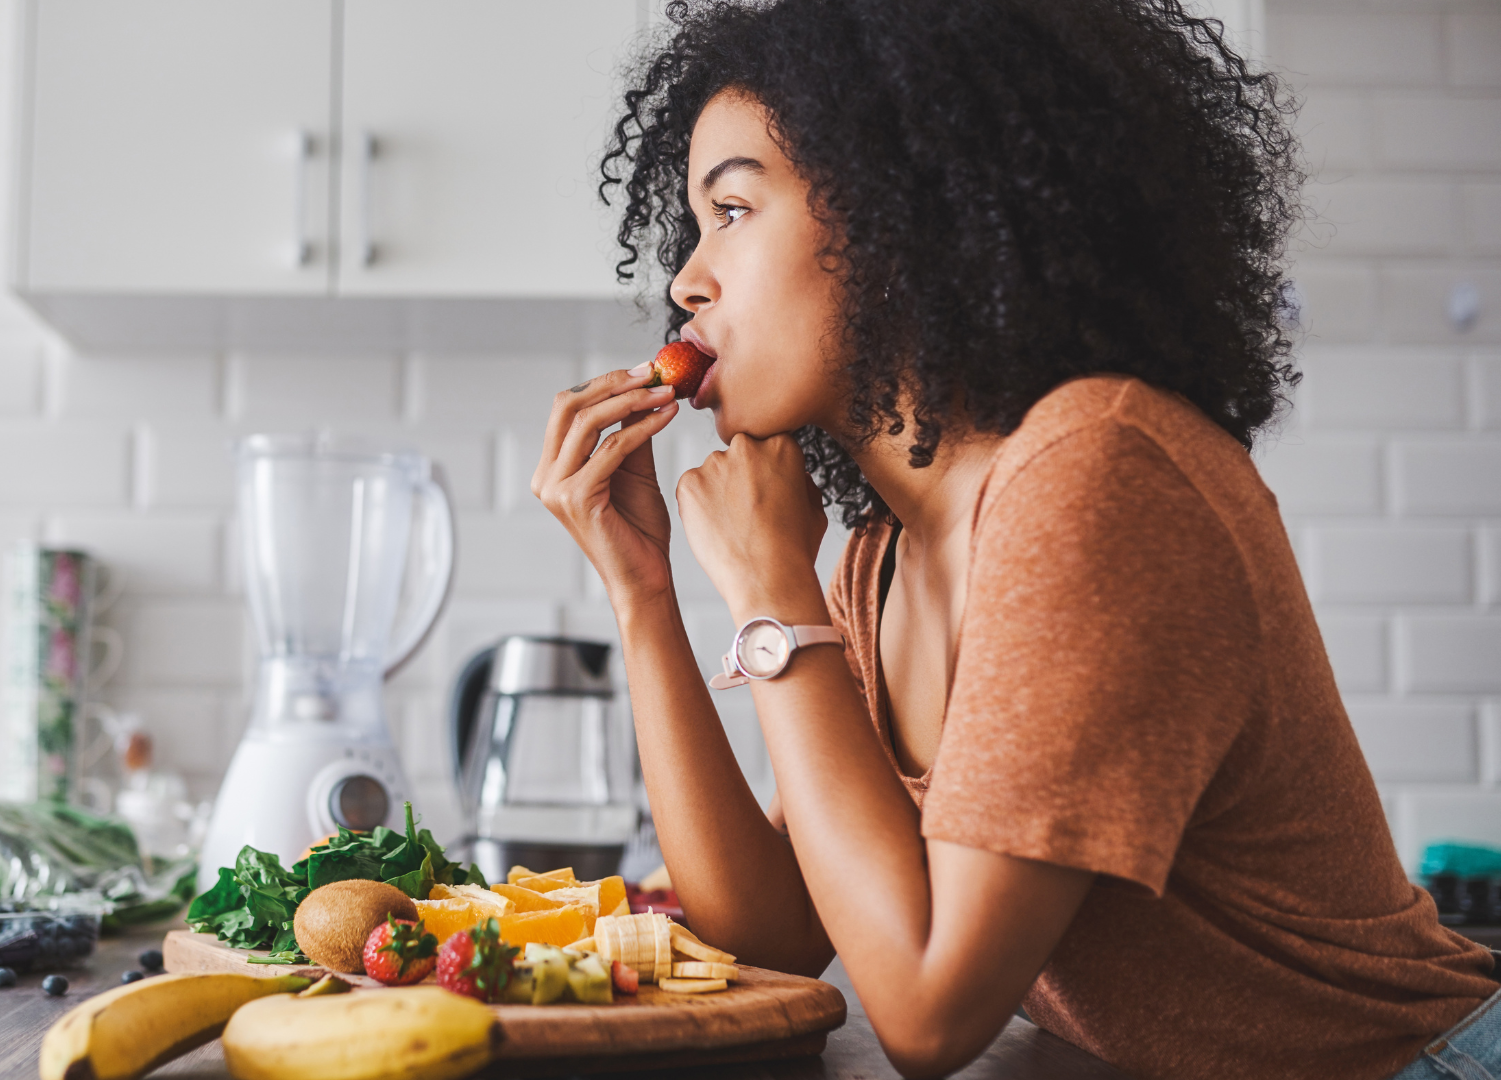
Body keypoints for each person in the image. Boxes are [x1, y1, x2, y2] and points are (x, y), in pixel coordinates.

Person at [531, 2, 1498, 1077]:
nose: (687, 279)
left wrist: (772, 598)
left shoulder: (1098, 476)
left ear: (898, 216)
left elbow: (928, 1014)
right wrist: (646, 594)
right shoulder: (879, 557)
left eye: (734, 209)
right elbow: (771, 933)